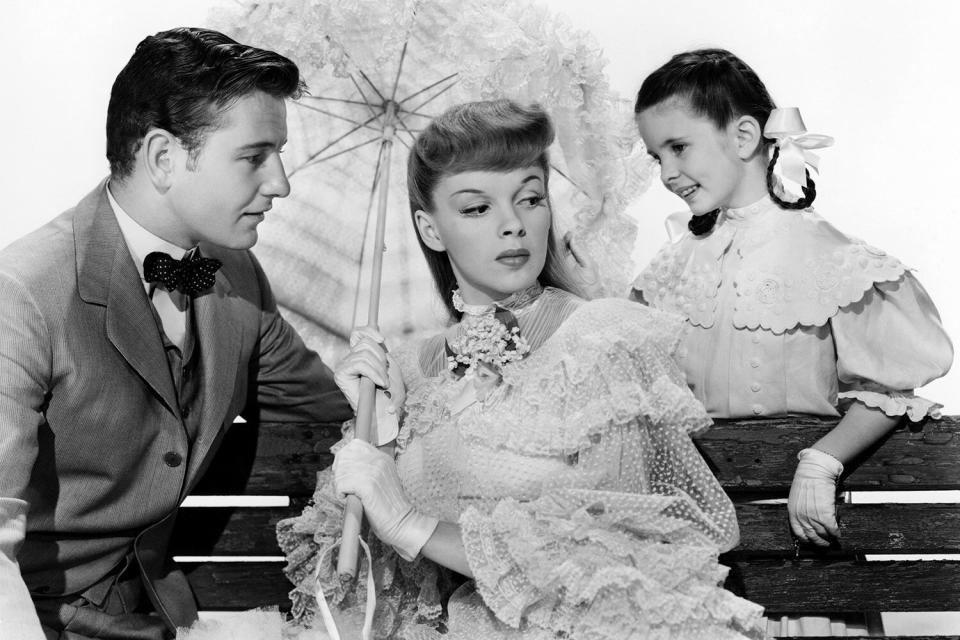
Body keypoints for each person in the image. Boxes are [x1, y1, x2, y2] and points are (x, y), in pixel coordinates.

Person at [272, 99, 765, 640]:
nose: (514, 226)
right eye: (477, 209)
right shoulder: (407, 369)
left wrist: (415, 526)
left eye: (530, 199)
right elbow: (365, 589)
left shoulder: (600, 342)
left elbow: (617, 556)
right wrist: (383, 432)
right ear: (431, 229)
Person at [0, 27, 352, 640]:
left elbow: (331, 412)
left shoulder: (235, 274)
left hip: (168, 617)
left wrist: (397, 374)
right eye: (254, 156)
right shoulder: (21, 293)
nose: (281, 184)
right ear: (163, 157)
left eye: (281, 155)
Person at [631, 48, 953, 635]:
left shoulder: (831, 258)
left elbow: (888, 382)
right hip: (698, 548)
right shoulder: (667, 271)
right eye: (657, 157)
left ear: (746, 135)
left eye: (679, 147)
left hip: (802, 547)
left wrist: (822, 462)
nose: (667, 173)